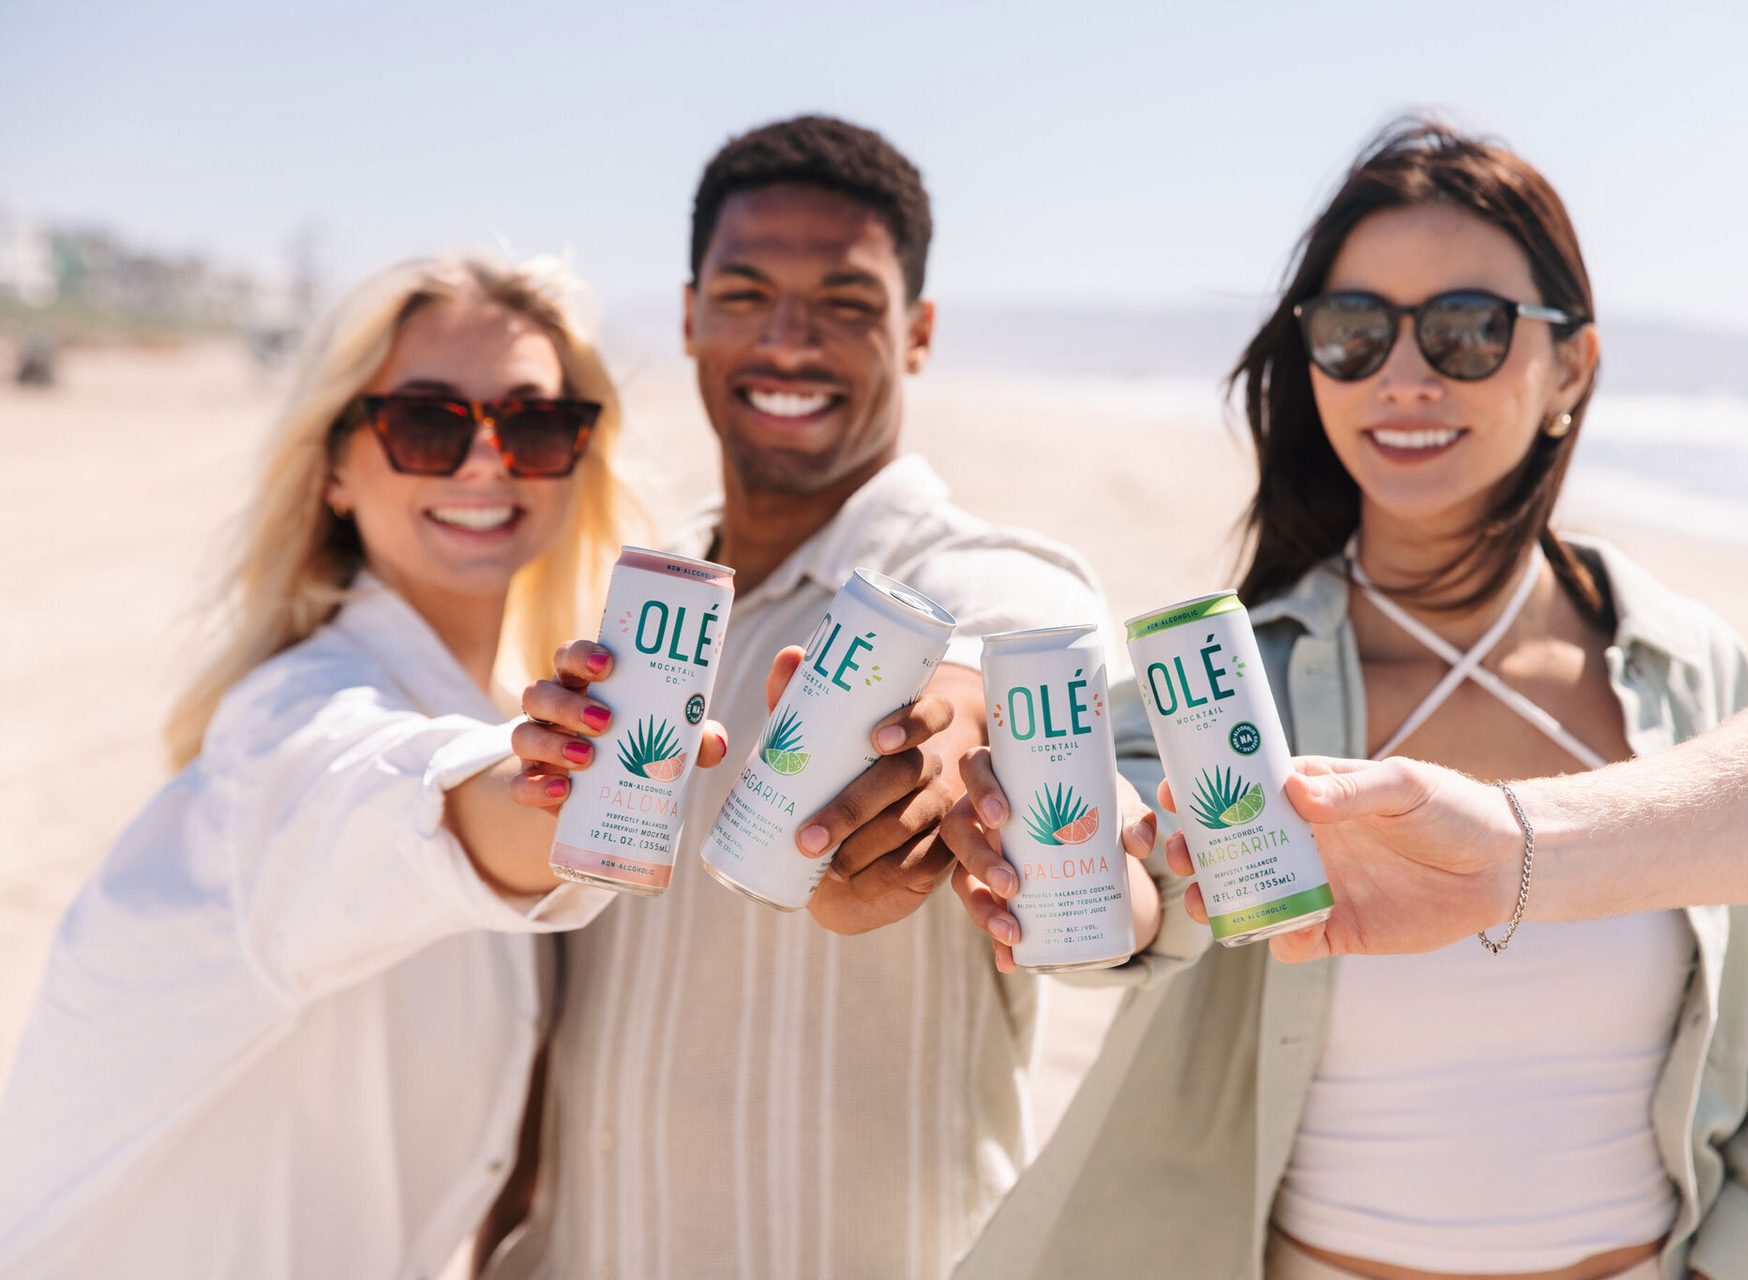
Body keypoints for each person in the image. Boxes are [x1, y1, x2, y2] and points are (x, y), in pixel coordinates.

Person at [947, 120, 1748, 1280]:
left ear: (1570, 367)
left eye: (1468, 331)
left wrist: (1734, 1260)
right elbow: (1136, 890)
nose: (1405, 376)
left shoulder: (1694, 672)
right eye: (1353, 332)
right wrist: (1097, 883)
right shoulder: (1231, 679)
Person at [0, 255, 729, 1276]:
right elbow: (398, 795)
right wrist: (563, 788)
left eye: (532, 424)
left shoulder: (482, 696)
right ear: (335, 465)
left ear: (576, 456)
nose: (485, 462)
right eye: (428, 423)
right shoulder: (286, 728)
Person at [491, 116, 1125, 1279]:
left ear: (917, 332)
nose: (789, 341)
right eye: (744, 294)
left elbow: (1040, 648)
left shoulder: (970, 580)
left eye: (845, 302)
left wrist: (953, 733)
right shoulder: (633, 613)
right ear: (689, 316)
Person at [1253, 651, 1748, 960]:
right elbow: (1156, 899)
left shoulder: (1687, 657)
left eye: (1467, 357)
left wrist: (1506, 852)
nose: (1406, 380)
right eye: (1347, 357)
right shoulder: (1253, 667)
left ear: (1570, 369)